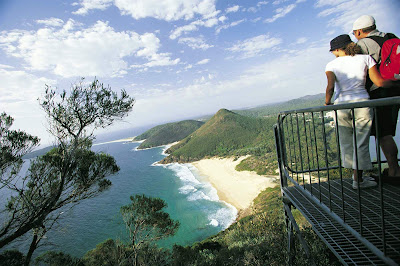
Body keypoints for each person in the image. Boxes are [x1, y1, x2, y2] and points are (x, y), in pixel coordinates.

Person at [324, 34, 399, 189]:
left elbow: (330, 88)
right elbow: (379, 82)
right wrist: (394, 84)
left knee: (346, 142)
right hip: (362, 104)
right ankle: (358, 180)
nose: (332, 53)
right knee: (361, 142)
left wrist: (327, 103)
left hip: (341, 106)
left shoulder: (331, 65)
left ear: (338, 49)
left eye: (333, 50)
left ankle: (357, 179)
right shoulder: (365, 59)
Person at [352, 15, 400, 178]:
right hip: (395, 88)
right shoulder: (391, 38)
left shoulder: (363, 44)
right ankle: (394, 168)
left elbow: (360, 71)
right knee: (388, 131)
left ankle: (394, 170)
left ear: (359, 31)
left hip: (379, 91)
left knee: (383, 133)